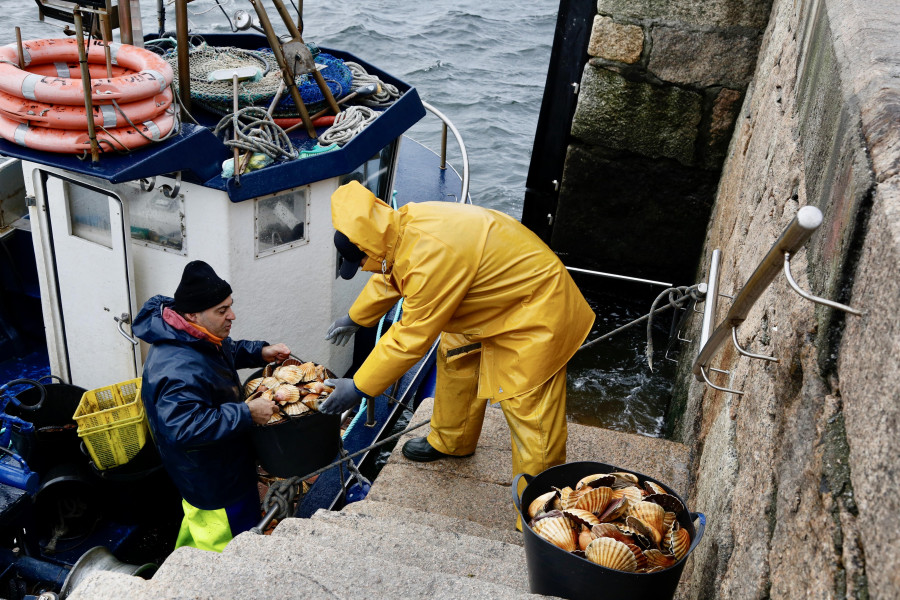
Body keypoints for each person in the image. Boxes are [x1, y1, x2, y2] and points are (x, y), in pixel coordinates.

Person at [320, 181, 595, 527]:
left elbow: (410, 337)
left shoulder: (429, 254)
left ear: (367, 247)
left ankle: (541, 511)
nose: (361, 268)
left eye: (359, 261)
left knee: (531, 412)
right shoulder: (399, 226)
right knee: (455, 356)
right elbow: (393, 274)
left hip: (535, 310)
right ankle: (453, 439)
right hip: (490, 299)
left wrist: (359, 386)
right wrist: (355, 317)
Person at [133, 260, 290, 552]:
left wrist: (260, 352)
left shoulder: (193, 334)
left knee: (200, 526)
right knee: (229, 544)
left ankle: (186, 558)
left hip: (211, 469)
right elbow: (183, 427)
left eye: (230, 305)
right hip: (215, 481)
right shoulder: (177, 366)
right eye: (222, 311)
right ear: (193, 313)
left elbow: (223, 350)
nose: (232, 315)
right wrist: (247, 412)